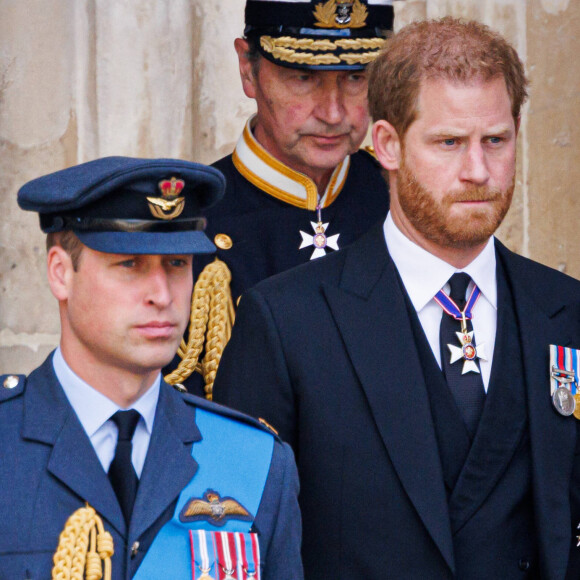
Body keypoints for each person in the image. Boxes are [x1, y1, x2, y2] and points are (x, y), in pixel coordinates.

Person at [213, 17, 580, 579]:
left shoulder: (565, 311)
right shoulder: (286, 322)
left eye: (496, 140)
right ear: (386, 144)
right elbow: (244, 544)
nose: (477, 171)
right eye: (449, 142)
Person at [0, 157, 302, 580]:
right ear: (61, 274)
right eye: (130, 265)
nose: (162, 295)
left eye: (177, 265)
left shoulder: (255, 460)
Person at [167, 0, 393, 397]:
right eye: (304, 77)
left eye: (356, 77)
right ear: (247, 69)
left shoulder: (405, 200)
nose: (333, 111)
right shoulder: (186, 222)